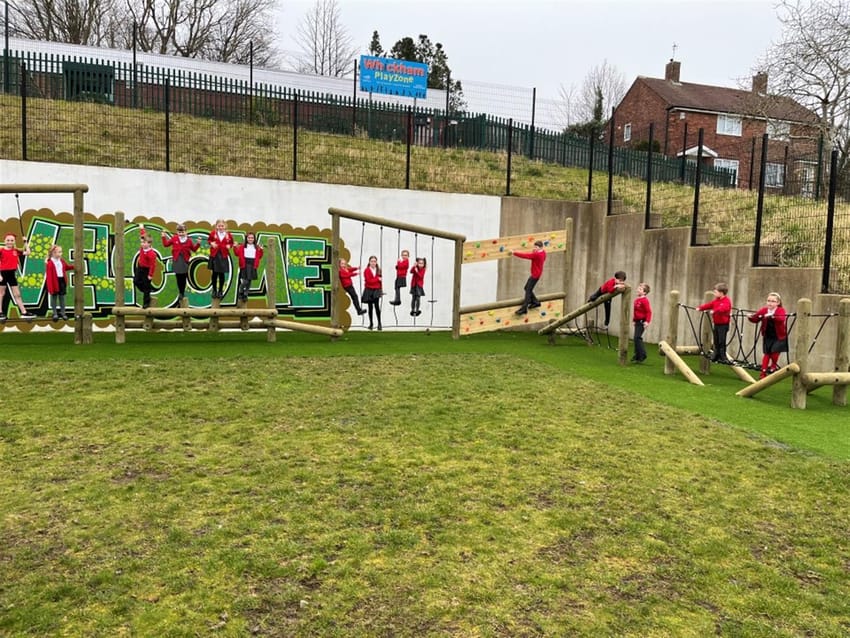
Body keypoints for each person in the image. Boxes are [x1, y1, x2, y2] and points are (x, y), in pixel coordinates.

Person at [748, 292, 788, 378]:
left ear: (778, 303)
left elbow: (781, 319)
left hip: (779, 336)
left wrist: (772, 316)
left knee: (774, 353)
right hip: (768, 335)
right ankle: (763, 373)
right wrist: (750, 317)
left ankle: (773, 365)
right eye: (768, 301)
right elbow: (756, 318)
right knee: (767, 354)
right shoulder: (764, 310)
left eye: (773, 301)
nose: (770, 303)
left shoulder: (780, 310)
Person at [0, 233, 36, 320]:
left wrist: (25, 242)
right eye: (8, 240)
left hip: (12, 274)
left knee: (17, 294)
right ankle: (0, 312)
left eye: (12, 240)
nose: (10, 242)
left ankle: (24, 312)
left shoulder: (15, 250)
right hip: (3, 274)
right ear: (5, 241)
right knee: (1, 294)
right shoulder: (1, 251)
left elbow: (28, 252)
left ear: (14, 241)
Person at [162, 224, 200, 303]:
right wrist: (163, 236)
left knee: (183, 277)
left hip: (185, 260)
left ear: (186, 232)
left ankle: (182, 292)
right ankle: (181, 292)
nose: (181, 233)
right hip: (177, 260)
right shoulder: (174, 238)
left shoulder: (189, 240)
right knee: (178, 277)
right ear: (177, 232)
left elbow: (194, 249)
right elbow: (166, 244)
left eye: (183, 232)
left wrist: (198, 243)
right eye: (179, 232)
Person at [698, 282, 733, 364]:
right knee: (716, 340)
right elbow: (709, 305)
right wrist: (700, 308)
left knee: (721, 341)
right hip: (717, 324)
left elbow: (723, 308)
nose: (714, 293)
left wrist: (714, 311)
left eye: (715, 292)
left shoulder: (726, 301)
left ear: (721, 293)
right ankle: (716, 355)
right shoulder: (716, 301)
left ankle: (723, 356)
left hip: (723, 325)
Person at [512, 240, 546, 315]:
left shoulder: (537, 255)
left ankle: (524, 308)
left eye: (536, 247)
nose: (534, 248)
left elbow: (526, 256)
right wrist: (534, 251)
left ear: (540, 247)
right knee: (527, 288)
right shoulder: (543, 253)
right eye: (534, 246)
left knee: (528, 290)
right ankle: (536, 302)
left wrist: (514, 253)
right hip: (537, 274)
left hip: (535, 275)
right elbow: (538, 258)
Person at [45, 244, 75, 321]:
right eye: (58, 252)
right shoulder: (50, 263)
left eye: (61, 252)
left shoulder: (61, 261)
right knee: (54, 298)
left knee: (62, 298)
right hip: (54, 282)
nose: (60, 254)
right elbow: (49, 276)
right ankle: (55, 313)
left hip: (62, 281)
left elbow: (66, 267)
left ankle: (63, 312)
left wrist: (73, 266)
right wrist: (50, 287)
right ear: (53, 253)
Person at [233, 232, 264, 302]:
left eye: (252, 238)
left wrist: (261, 249)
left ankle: (245, 294)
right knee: (245, 281)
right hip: (244, 264)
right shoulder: (242, 247)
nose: (250, 239)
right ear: (246, 238)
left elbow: (260, 256)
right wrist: (235, 246)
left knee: (249, 281)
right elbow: (236, 253)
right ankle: (240, 291)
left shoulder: (256, 247)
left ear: (254, 239)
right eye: (249, 238)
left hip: (253, 264)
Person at [208, 219, 234, 299]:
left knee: (221, 274)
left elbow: (231, 243)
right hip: (215, 255)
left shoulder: (228, 235)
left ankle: (220, 291)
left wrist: (230, 246)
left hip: (223, 256)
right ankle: (214, 290)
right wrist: (211, 243)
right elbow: (209, 240)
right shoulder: (213, 233)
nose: (221, 227)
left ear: (225, 226)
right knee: (214, 274)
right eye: (219, 226)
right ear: (216, 226)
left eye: (222, 226)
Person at [134, 229, 158, 309]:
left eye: (145, 243)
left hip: (146, 271)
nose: (143, 244)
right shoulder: (142, 248)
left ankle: (146, 303)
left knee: (146, 286)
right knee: (136, 281)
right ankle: (146, 290)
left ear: (149, 244)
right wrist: (141, 228)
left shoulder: (151, 254)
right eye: (142, 242)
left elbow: (153, 265)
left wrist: (150, 275)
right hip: (140, 268)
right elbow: (143, 234)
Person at [631, 282, 652, 363]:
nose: (638, 290)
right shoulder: (636, 300)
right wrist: (633, 320)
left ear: (644, 292)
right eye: (638, 288)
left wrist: (647, 321)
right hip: (637, 321)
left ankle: (642, 355)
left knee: (637, 338)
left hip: (642, 322)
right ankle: (637, 356)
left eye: (640, 289)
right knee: (636, 338)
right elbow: (635, 311)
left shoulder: (644, 301)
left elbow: (648, 312)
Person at [361, 255, 383, 330]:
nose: (373, 263)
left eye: (374, 261)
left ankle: (379, 323)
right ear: (369, 262)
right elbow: (369, 281)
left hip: (376, 290)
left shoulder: (379, 270)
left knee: (377, 307)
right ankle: (371, 323)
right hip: (369, 290)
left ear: (376, 262)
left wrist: (380, 290)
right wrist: (377, 279)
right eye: (372, 261)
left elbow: (380, 282)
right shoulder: (366, 270)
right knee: (370, 307)